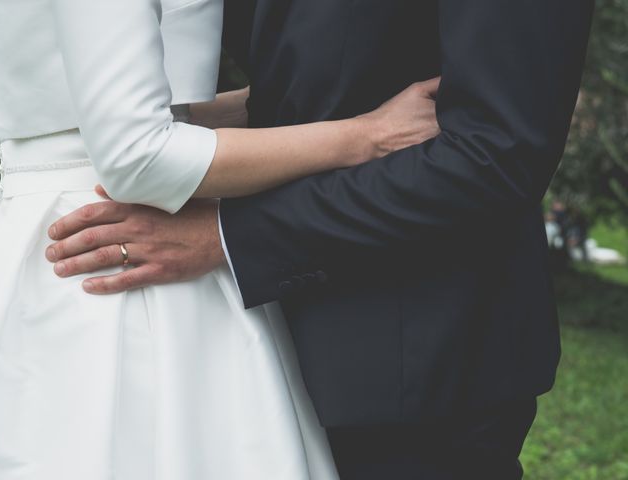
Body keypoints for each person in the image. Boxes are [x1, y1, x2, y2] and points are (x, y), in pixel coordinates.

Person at [48, 0, 596, 478]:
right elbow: (308, 88)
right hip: (246, 347)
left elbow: (495, 154)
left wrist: (227, 236)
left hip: (417, 361)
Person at [0, 0, 442, 478]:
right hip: (118, 247)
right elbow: (137, 158)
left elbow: (109, 111)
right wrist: (367, 134)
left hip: (66, 224)